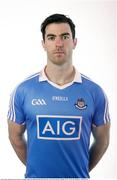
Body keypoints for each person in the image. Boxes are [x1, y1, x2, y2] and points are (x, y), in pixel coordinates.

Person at [7, 13, 110, 178]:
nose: (59, 43)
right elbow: (15, 136)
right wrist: (37, 169)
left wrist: (79, 171)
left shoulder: (95, 92)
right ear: (43, 44)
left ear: (74, 42)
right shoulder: (23, 90)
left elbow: (102, 141)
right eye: (51, 37)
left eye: (65, 36)